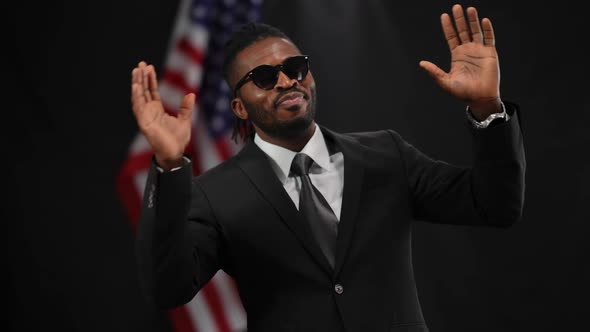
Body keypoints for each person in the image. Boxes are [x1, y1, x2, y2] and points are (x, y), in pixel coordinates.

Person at [130, 4, 525, 332]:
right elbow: (170, 289)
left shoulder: (386, 155)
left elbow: (494, 204)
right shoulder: (215, 193)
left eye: (296, 66)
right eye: (264, 78)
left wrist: (487, 107)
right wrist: (168, 164)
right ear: (239, 107)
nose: (286, 80)